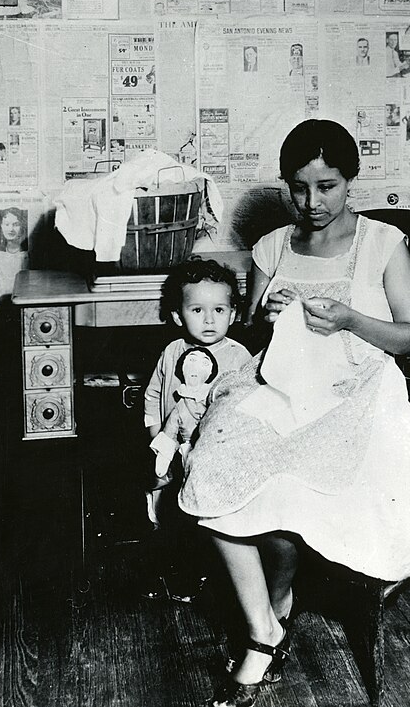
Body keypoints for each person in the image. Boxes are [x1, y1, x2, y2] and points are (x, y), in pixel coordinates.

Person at [178, 119, 410, 707]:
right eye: (299, 188)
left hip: (359, 392)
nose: (312, 203)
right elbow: (245, 334)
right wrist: (264, 317)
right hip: (282, 386)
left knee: (291, 482)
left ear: (352, 180)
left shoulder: (381, 242)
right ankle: (265, 625)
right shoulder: (272, 246)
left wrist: (348, 318)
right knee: (209, 473)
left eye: (327, 187)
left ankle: (272, 613)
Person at [143, 257, 251, 602]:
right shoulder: (172, 351)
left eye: (219, 310)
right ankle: (179, 572)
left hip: (215, 454)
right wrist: (155, 435)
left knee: (211, 514)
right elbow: (154, 393)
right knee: (170, 507)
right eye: (197, 310)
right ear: (178, 315)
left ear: (233, 314)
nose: (209, 319)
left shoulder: (238, 357)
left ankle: (214, 574)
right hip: (172, 447)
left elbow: (247, 406)